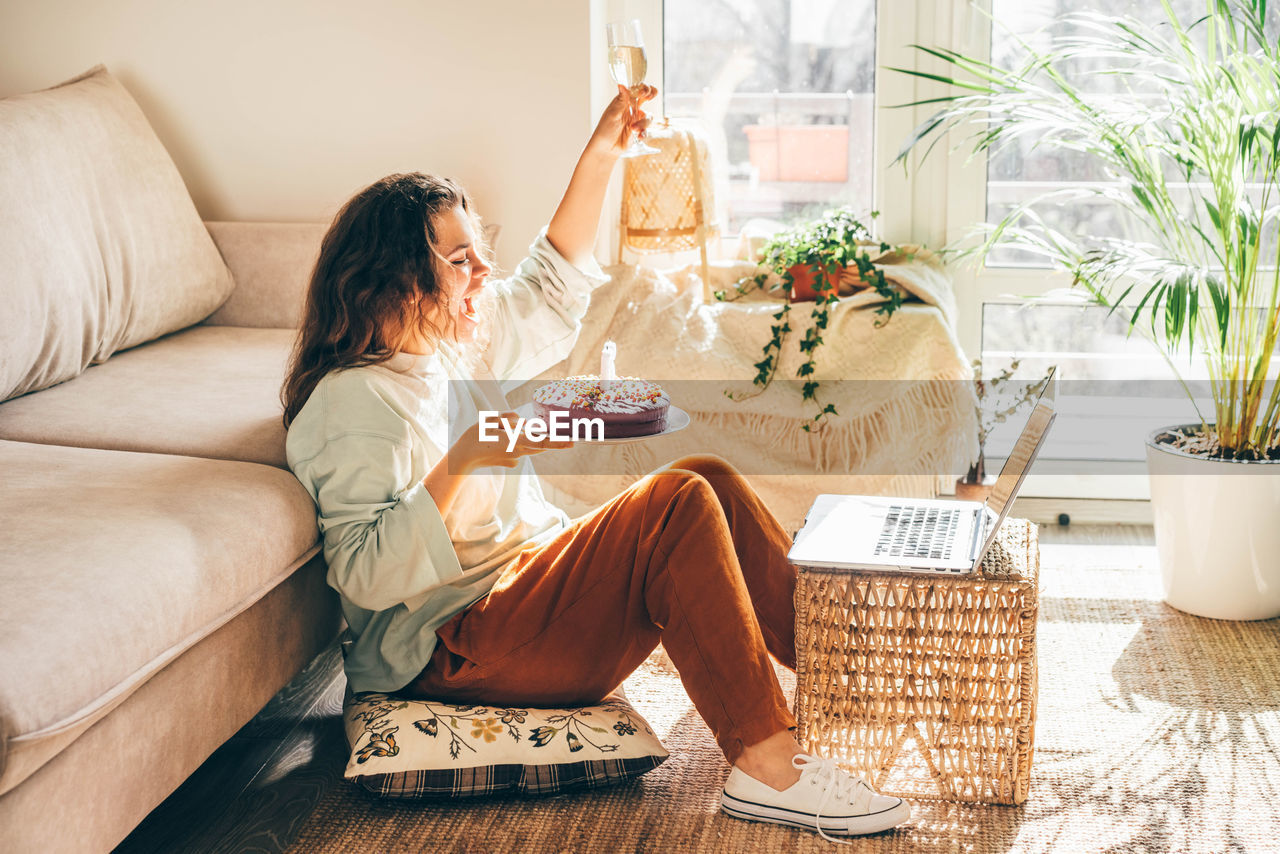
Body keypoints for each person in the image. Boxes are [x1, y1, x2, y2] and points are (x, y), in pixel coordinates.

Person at [281, 84, 910, 842]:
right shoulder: (352, 404)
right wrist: (477, 446)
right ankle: (766, 766)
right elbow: (365, 573)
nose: (484, 269)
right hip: (453, 648)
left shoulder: (446, 346)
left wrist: (601, 156)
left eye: (480, 249)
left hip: (521, 598)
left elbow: (548, 286)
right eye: (459, 258)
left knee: (702, 475)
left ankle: (844, 673)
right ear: (393, 283)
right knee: (675, 502)